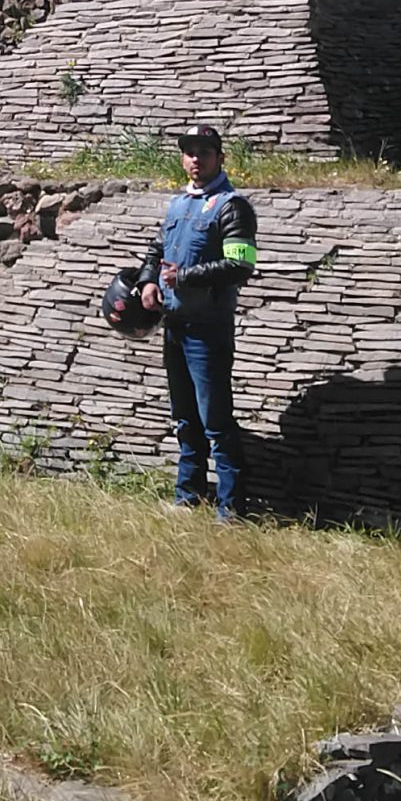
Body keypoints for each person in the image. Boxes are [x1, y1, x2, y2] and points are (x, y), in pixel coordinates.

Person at [117, 124, 258, 517]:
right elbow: (157, 250)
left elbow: (241, 264)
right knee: (184, 418)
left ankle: (232, 510)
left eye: (205, 152)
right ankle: (188, 497)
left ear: (220, 158)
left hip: (208, 329)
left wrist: (187, 277)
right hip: (175, 326)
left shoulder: (232, 206)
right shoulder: (179, 205)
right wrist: (148, 282)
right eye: (189, 151)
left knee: (216, 422)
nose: (196, 158)